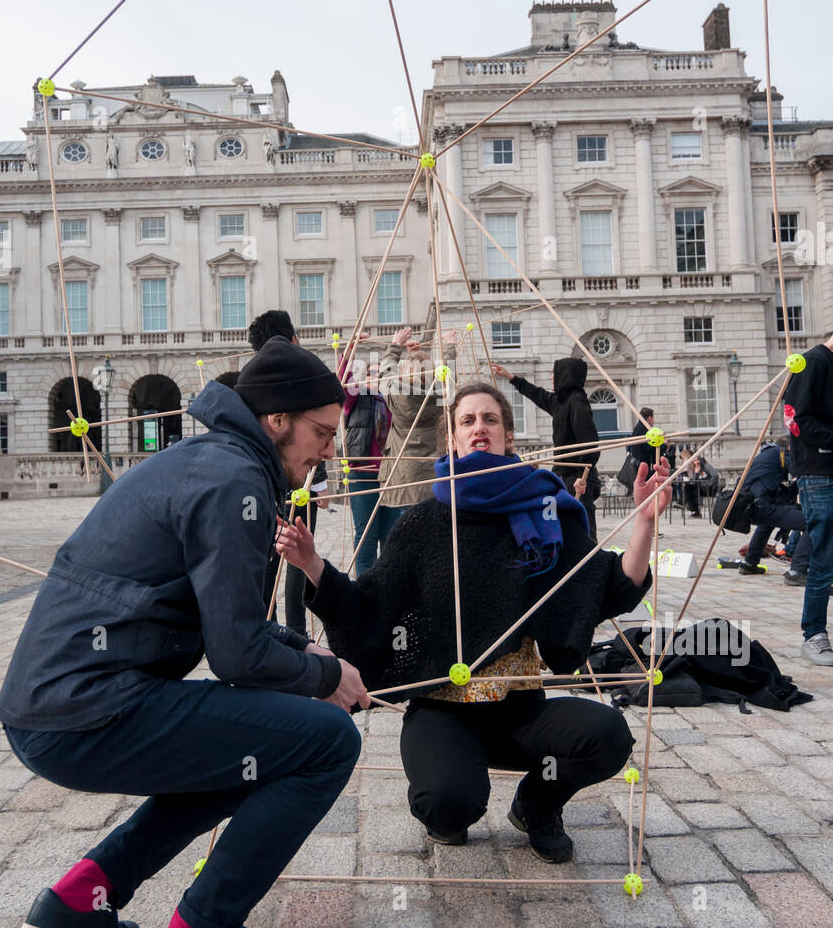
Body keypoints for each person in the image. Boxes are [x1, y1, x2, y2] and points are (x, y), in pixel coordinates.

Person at [0, 337, 369, 928]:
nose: (328, 451)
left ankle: (81, 900)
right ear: (276, 419)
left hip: (54, 706)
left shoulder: (212, 463)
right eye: (320, 432)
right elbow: (236, 656)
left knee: (251, 749)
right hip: (84, 708)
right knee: (325, 740)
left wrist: (301, 650)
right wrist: (322, 678)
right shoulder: (233, 479)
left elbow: (233, 624)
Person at [278, 381, 671, 861]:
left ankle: (537, 806)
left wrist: (645, 521)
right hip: (443, 710)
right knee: (448, 805)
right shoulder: (424, 521)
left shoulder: (543, 512)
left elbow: (610, 585)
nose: (479, 428)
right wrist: (312, 563)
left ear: (508, 435)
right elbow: (370, 606)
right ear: (453, 438)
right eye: (468, 420)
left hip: (520, 711)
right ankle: (451, 781)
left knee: (608, 736)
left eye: (490, 419)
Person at [247, 309, 329, 634]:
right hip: (297, 481)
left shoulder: (251, 381)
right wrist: (319, 483)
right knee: (295, 552)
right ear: (292, 340)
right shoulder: (304, 377)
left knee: (268, 551)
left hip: (263, 482)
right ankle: (294, 630)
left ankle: (268, 626)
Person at [494, 357, 601, 539]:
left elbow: (590, 445)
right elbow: (537, 394)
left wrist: (582, 476)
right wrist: (510, 377)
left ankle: (591, 563)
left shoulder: (577, 402)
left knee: (584, 529)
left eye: (555, 373)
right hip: (563, 474)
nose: (552, 377)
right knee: (566, 525)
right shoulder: (560, 401)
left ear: (565, 375)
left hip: (578, 477)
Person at [784, 331, 833, 664]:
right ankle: (814, 633)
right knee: (825, 549)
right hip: (818, 470)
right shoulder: (813, 362)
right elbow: (795, 419)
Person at [376, 325, 457, 521]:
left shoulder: (397, 395)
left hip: (405, 473)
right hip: (434, 470)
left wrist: (396, 346)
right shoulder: (441, 393)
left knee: (410, 525)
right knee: (436, 526)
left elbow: (385, 373)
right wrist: (449, 348)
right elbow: (448, 374)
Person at [339, 335, 394, 576]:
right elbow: (343, 378)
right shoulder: (355, 398)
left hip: (389, 476)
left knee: (390, 535)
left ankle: (385, 586)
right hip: (362, 473)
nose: (374, 377)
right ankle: (365, 585)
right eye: (370, 373)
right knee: (366, 535)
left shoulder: (390, 400)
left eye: (378, 373)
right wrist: (351, 349)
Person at [738, 438, 811, 584]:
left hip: (750, 506)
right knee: (812, 523)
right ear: (790, 447)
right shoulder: (783, 454)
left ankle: (749, 563)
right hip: (761, 506)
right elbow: (802, 472)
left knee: (767, 522)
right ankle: (797, 571)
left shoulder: (766, 455)